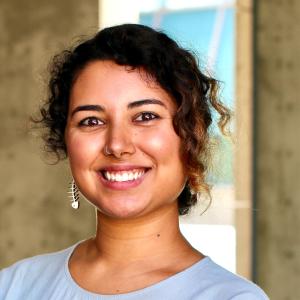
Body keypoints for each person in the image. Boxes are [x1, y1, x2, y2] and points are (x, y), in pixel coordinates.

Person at [0, 24, 268, 299]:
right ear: (66, 140)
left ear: (192, 135)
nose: (117, 145)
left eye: (145, 116)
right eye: (91, 121)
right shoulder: (14, 286)